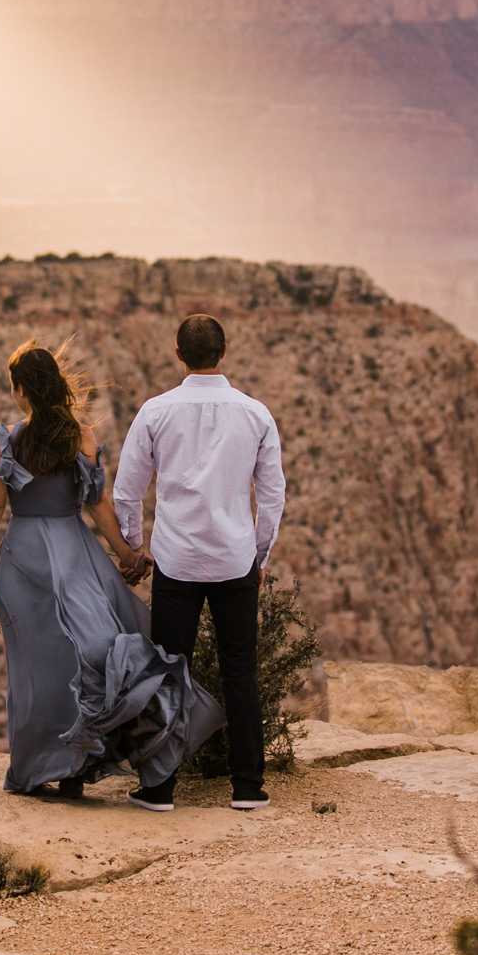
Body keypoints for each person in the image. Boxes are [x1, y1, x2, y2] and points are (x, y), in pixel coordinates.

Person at [0, 341, 223, 798]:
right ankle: (76, 769)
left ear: (21, 390)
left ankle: (38, 766)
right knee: (90, 654)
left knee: (35, 669)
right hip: (75, 552)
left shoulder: (4, 440)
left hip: (23, 563)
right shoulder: (79, 437)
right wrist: (127, 555)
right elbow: (98, 504)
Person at [113, 313, 285, 812]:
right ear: (224, 351)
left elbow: (127, 492)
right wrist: (259, 554)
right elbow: (272, 497)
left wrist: (134, 548)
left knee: (168, 670)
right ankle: (249, 786)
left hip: (176, 560)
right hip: (234, 561)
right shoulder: (256, 414)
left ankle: (161, 788)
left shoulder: (154, 412)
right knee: (241, 671)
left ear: (178, 354)